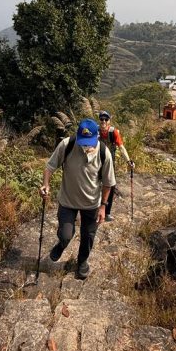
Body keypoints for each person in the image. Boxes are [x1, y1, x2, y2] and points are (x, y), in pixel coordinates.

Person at [40, 118, 115, 279]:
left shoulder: (104, 153)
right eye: (83, 141)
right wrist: (45, 184)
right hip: (68, 200)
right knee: (66, 234)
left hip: (91, 203)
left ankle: (82, 262)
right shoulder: (67, 144)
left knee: (88, 236)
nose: (85, 145)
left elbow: (108, 183)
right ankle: (62, 244)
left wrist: (103, 206)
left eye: (89, 142)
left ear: (97, 137)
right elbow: (50, 167)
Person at [98, 110, 134, 221]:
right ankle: (94, 210)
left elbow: (121, 147)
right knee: (95, 185)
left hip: (110, 163)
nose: (104, 121)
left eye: (106, 119)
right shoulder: (95, 131)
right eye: (102, 119)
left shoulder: (113, 132)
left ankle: (107, 212)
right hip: (97, 162)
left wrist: (128, 161)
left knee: (111, 186)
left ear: (109, 121)